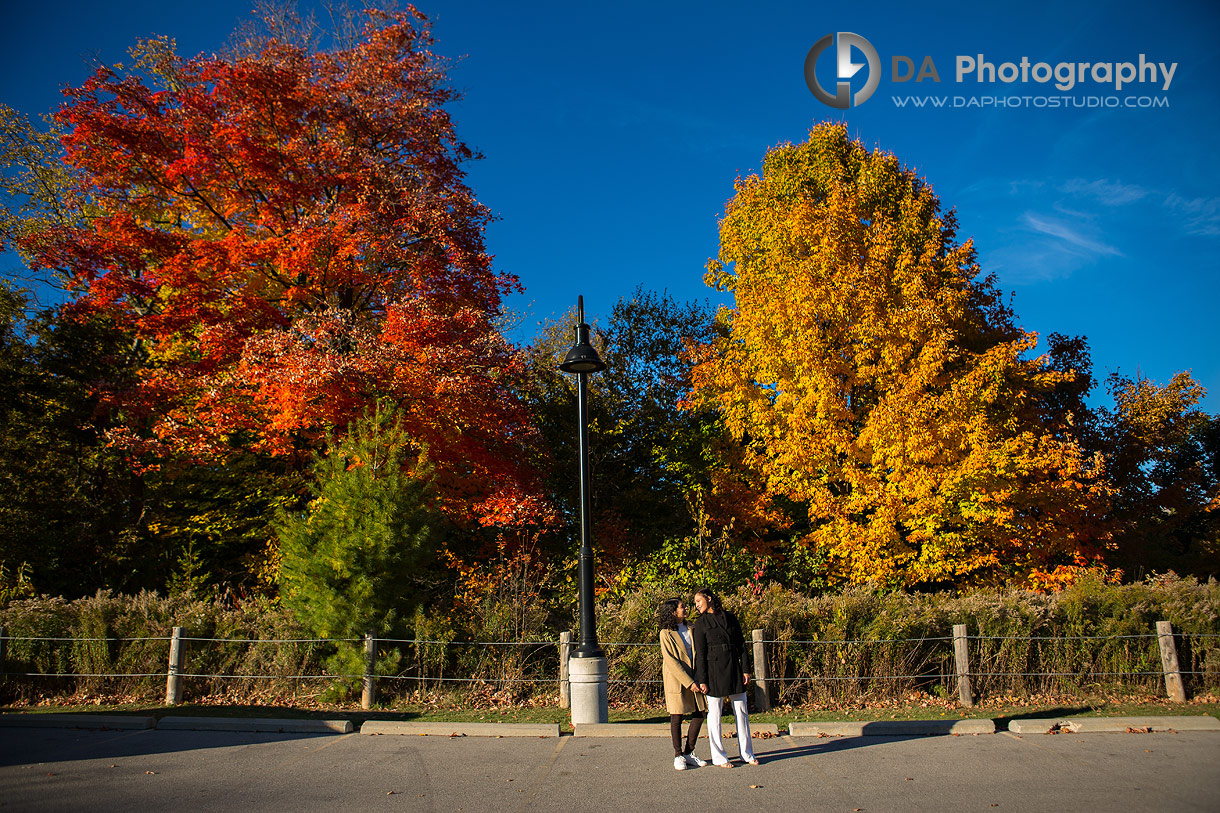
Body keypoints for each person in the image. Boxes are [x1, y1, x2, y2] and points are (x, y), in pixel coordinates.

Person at [692, 587, 758, 767]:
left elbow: (741, 645)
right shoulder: (700, 623)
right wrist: (702, 679)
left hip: (734, 668)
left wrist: (746, 669)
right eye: (695, 603)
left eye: (699, 601)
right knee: (715, 714)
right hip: (713, 671)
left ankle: (747, 754)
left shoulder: (730, 617)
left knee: (742, 711)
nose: (696, 605)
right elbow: (700, 653)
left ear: (709, 598)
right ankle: (720, 757)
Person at [658, 598, 707, 770]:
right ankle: (678, 754)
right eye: (682, 607)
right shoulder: (665, 633)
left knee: (700, 713)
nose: (686, 609)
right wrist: (689, 682)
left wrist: (699, 677)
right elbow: (671, 661)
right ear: (672, 612)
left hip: (696, 675)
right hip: (677, 679)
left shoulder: (692, 628)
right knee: (676, 716)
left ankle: (689, 752)